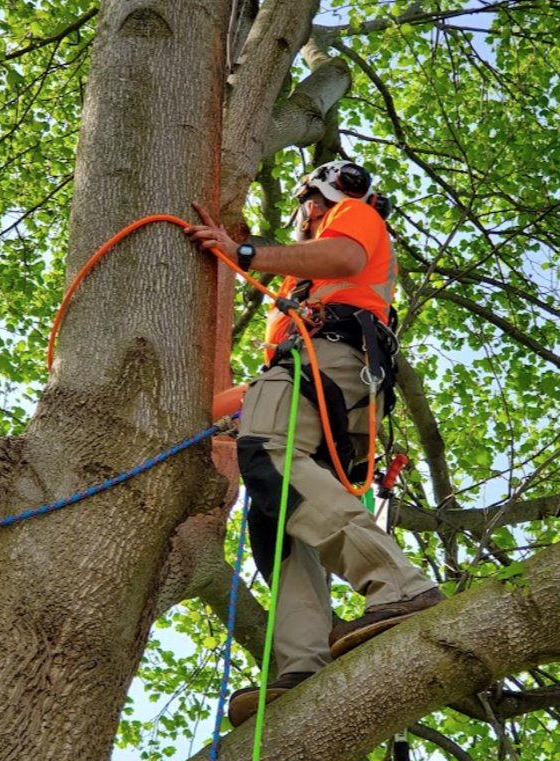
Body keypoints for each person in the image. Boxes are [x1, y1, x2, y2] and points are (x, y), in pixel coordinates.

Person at [186, 161, 443, 727]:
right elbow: (265, 386)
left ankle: (399, 584)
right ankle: (302, 666)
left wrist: (245, 252)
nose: (306, 216)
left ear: (316, 199)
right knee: (277, 518)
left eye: (307, 206)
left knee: (267, 455)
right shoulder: (301, 289)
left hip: (331, 359)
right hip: (318, 380)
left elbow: (345, 258)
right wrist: (193, 412)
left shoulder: (353, 218)